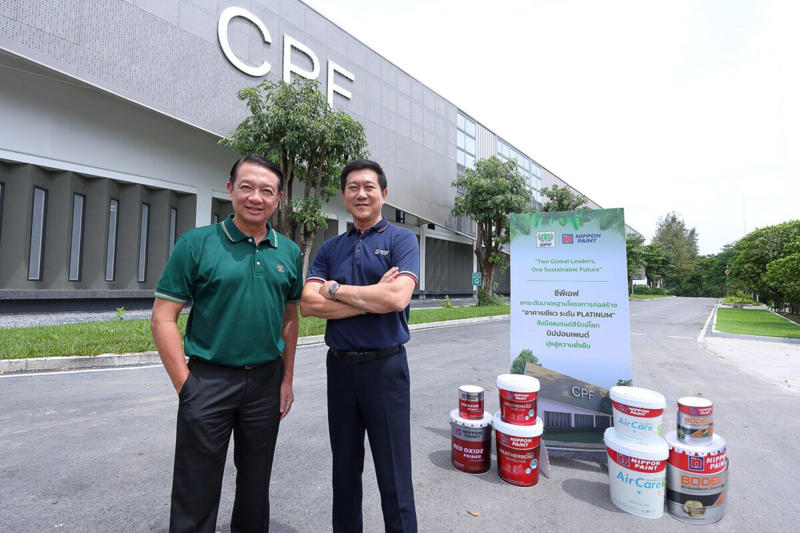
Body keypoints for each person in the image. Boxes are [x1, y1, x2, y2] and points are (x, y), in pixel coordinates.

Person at [150, 155, 302, 533]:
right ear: (231, 189)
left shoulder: (289, 252)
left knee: (255, 485)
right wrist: (186, 386)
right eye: (246, 187)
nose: (256, 197)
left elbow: (289, 319)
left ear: (279, 198)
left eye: (266, 191)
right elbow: (163, 318)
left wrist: (286, 379)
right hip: (208, 380)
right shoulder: (196, 244)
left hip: (265, 382)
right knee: (196, 486)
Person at [300, 159, 419, 533]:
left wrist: (336, 289)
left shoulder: (401, 241)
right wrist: (371, 299)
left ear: (384, 194)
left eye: (369, 187)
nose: (361, 194)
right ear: (344, 195)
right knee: (344, 470)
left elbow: (396, 298)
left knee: (394, 473)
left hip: (386, 369)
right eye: (353, 187)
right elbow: (309, 304)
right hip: (340, 369)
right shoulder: (330, 248)